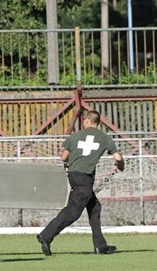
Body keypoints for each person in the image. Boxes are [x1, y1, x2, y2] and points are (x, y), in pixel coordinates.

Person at [36, 110, 124, 257]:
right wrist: (121, 166)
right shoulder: (105, 138)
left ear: (88, 120)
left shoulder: (75, 136)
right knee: (73, 212)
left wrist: (76, 161)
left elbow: (64, 157)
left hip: (75, 176)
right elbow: (118, 157)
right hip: (84, 179)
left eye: (84, 120)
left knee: (94, 207)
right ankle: (46, 235)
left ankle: (100, 246)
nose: (83, 122)